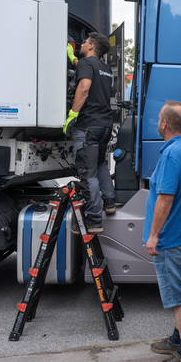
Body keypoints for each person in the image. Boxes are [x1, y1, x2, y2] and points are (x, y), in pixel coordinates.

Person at [143, 100, 181, 362]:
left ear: (164, 124)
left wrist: (153, 235)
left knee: (180, 297)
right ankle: (177, 340)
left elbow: (166, 198)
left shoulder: (171, 154)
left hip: (172, 238)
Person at [64, 33, 116, 234]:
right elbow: (84, 68)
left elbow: (84, 88)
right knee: (101, 163)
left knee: (88, 172)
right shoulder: (104, 68)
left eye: (85, 42)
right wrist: (73, 58)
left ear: (92, 46)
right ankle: (109, 203)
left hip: (88, 126)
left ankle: (94, 220)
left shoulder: (87, 64)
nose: (82, 44)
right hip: (104, 126)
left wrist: (72, 114)